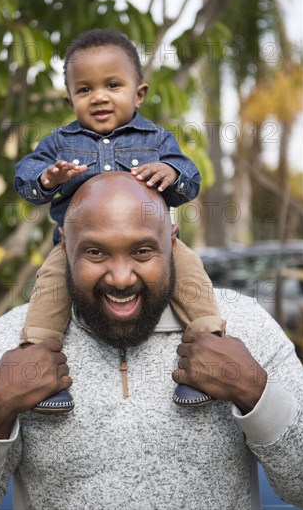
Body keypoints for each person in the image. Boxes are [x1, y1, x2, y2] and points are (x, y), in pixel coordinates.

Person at [0, 173, 303, 510]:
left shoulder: (245, 326)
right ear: (64, 247)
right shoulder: (11, 341)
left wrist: (255, 391)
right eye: (95, 252)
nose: (120, 278)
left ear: (172, 243)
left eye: (142, 251)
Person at [14, 28, 225, 412]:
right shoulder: (60, 144)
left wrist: (171, 174)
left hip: (153, 246)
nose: (99, 97)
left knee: (191, 274)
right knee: (48, 291)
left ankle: (210, 354)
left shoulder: (157, 140)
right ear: (70, 99)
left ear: (138, 93)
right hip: (76, 250)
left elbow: (189, 178)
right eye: (85, 89)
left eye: (112, 85)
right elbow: (25, 175)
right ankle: (39, 369)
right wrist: (46, 179)